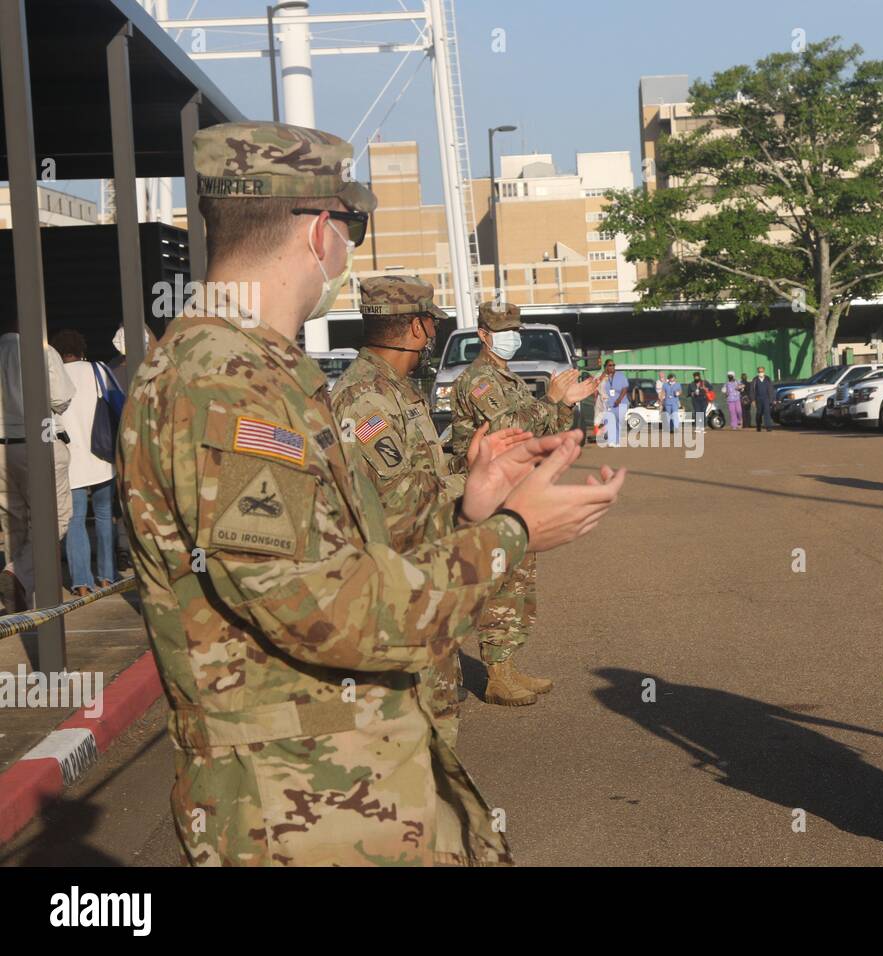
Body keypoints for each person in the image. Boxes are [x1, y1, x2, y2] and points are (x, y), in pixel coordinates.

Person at [118, 120, 624, 866]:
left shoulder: (243, 367)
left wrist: (468, 502)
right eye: (352, 229)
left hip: (333, 788)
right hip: (303, 812)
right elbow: (324, 610)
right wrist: (512, 533)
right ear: (324, 231)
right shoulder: (227, 382)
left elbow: (333, 550)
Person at [330, 275, 537, 748]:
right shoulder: (366, 398)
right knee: (416, 739)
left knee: (430, 733)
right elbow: (401, 497)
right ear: (418, 329)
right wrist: (476, 480)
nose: (436, 333)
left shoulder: (394, 389)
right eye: (433, 323)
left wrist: (469, 462)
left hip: (420, 579)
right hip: (398, 587)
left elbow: (419, 467)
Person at [450, 302, 601, 705]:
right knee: (498, 583)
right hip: (490, 494)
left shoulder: (509, 379)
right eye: (502, 329)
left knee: (519, 584)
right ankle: (495, 675)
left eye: (515, 328)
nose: (511, 336)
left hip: (515, 491)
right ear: (483, 334)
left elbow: (542, 430)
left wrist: (565, 403)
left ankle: (507, 665)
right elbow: (509, 429)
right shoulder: (478, 381)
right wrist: (549, 398)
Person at [0, 312, 75, 613]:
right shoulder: (42, 350)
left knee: (13, 524)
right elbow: (61, 398)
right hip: (38, 441)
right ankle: (16, 574)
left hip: (1, 447)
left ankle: (19, 599)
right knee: (55, 518)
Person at [51, 330, 117, 596]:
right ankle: (107, 577)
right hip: (101, 457)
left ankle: (81, 583)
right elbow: (118, 402)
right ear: (82, 350)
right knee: (103, 516)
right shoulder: (99, 370)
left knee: (75, 521)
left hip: (70, 462)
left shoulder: (53, 377)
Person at [599, 359, 629, 445]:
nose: (612, 367)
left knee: (619, 422)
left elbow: (625, 388)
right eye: (610, 365)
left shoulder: (620, 375)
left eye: (613, 365)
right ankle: (612, 441)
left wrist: (619, 399)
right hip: (610, 404)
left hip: (621, 402)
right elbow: (599, 384)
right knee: (610, 422)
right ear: (606, 367)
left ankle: (618, 442)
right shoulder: (604, 376)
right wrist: (604, 373)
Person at [752, 365, 776, 431]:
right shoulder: (755, 380)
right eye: (759, 371)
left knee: (767, 412)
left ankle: (768, 427)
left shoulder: (768, 379)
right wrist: (753, 400)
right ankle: (758, 426)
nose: (761, 373)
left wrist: (773, 399)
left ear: (764, 371)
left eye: (762, 371)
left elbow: (771, 389)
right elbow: (752, 390)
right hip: (758, 398)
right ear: (757, 372)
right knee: (759, 413)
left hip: (766, 398)